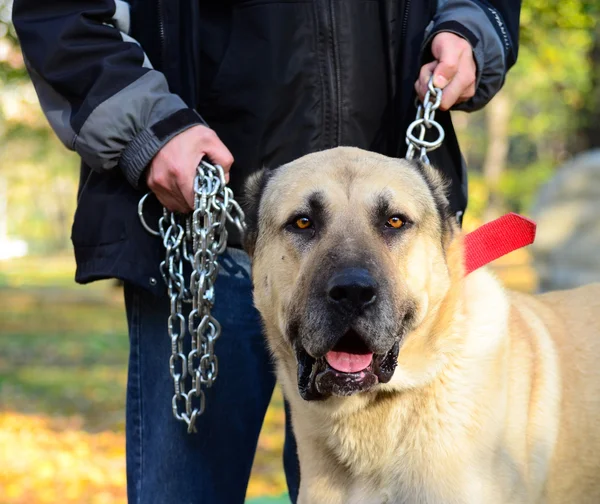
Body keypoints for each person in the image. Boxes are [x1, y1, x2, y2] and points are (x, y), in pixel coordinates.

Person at [12, 1, 521, 502]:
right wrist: (149, 125)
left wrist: (471, 27)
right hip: (202, 234)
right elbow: (59, 14)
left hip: (400, 236)